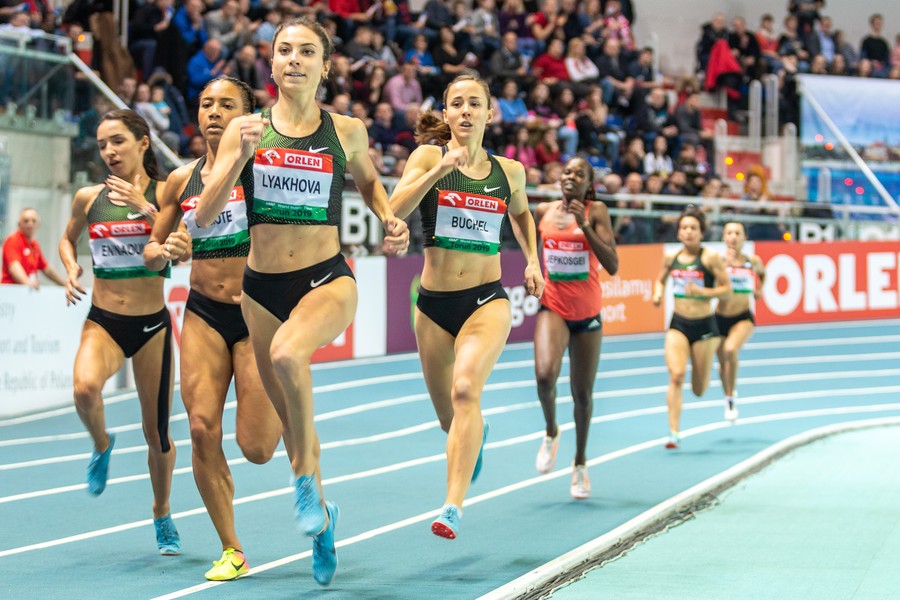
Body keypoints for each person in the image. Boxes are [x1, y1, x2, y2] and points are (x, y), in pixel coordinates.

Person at [197, 17, 409, 586]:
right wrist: (237, 160)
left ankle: (303, 487)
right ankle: (323, 522)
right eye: (283, 49)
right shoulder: (245, 129)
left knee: (291, 357)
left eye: (306, 50)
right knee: (290, 419)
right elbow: (203, 217)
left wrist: (389, 216)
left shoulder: (348, 130)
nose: (294, 58)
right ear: (270, 64)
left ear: (324, 65)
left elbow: (368, 183)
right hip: (260, 289)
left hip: (326, 277)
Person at [389, 74, 544, 539]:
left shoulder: (509, 172)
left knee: (465, 391)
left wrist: (533, 260)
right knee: (448, 417)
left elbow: (522, 214)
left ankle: (451, 507)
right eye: (457, 104)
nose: (466, 111)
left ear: (489, 113)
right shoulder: (427, 156)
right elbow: (393, 208)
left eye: (475, 103)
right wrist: (439, 169)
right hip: (433, 305)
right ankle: (475, 435)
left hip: (486, 299)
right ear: (447, 112)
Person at [145, 76, 282, 582]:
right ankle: (232, 549)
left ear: (250, 115)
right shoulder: (180, 182)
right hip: (202, 311)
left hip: (257, 315)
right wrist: (164, 253)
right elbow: (153, 250)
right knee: (202, 429)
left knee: (258, 448)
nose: (214, 113)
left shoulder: (264, 169)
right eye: (206, 103)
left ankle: (298, 434)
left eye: (227, 105)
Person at [58, 109, 184, 555]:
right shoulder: (88, 197)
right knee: (84, 389)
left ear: (143, 143)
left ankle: (162, 512)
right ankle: (102, 443)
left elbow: (183, 239)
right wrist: (72, 266)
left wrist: (144, 207)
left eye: (118, 141)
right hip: (104, 319)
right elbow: (68, 237)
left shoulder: (169, 190)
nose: (109, 152)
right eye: (102, 144)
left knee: (158, 435)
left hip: (152, 326)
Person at [532, 156, 618, 499]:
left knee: (582, 395)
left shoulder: (597, 212)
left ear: (588, 185)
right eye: (567, 171)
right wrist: (532, 268)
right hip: (553, 306)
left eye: (579, 174)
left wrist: (584, 225)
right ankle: (552, 431)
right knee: (544, 377)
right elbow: (537, 248)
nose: (570, 177)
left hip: (588, 314)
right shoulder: (545, 212)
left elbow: (612, 263)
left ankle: (580, 464)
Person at [651, 208, 730, 449]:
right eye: (684, 228)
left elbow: (726, 289)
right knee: (676, 375)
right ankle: (673, 432)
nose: (688, 232)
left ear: (701, 232)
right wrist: (657, 293)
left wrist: (702, 292)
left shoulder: (710, 258)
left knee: (698, 388)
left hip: (705, 327)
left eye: (693, 228)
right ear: (679, 232)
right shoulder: (671, 257)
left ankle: (707, 373)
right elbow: (660, 279)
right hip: (679, 323)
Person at [715, 220, 765, 423]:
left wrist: (758, 289)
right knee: (721, 366)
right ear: (724, 237)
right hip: (719, 318)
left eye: (737, 233)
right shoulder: (717, 261)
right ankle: (729, 397)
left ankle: (730, 395)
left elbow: (762, 273)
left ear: (744, 237)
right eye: (729, 233)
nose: (733, 237)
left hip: (743, 317)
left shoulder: (753, 261)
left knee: (730, 350)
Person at [2, 208, 65, 288]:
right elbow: (14, 267)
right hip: (11, 291)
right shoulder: (13, 240)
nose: (30, 224)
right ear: (19, 224)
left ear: (38, 225)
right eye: (26, 221)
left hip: (26, 291)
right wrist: (27, 282)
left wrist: (65, 284)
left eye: (33, 221)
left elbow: (47, 269)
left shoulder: (34, 245)